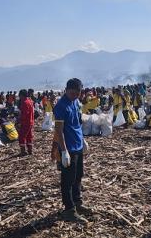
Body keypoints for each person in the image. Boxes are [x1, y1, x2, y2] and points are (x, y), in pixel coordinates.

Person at [51, 78, 90, 223]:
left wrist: (83, 140)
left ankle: (77, 203)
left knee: (78, 176)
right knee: (67, 180)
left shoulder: (76, 102)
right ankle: (69, 210)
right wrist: (63, 151)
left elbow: (77, 123)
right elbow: (59, 131)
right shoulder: (61, 106)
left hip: (78, 145)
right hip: (68, 148)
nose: (74, 96)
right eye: (72, 93)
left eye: (77, 93)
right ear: (66, 90)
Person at [18, 89, 34, 156]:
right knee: (29, 136)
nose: (19, 97)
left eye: (20, 96)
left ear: (22, 95)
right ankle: (30, 151)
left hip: (25, 122)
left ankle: (23, 151)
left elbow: (24, 114)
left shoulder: (25, 102)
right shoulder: (30, 101)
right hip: (30, 121)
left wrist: (19, 121)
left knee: (22, 136)